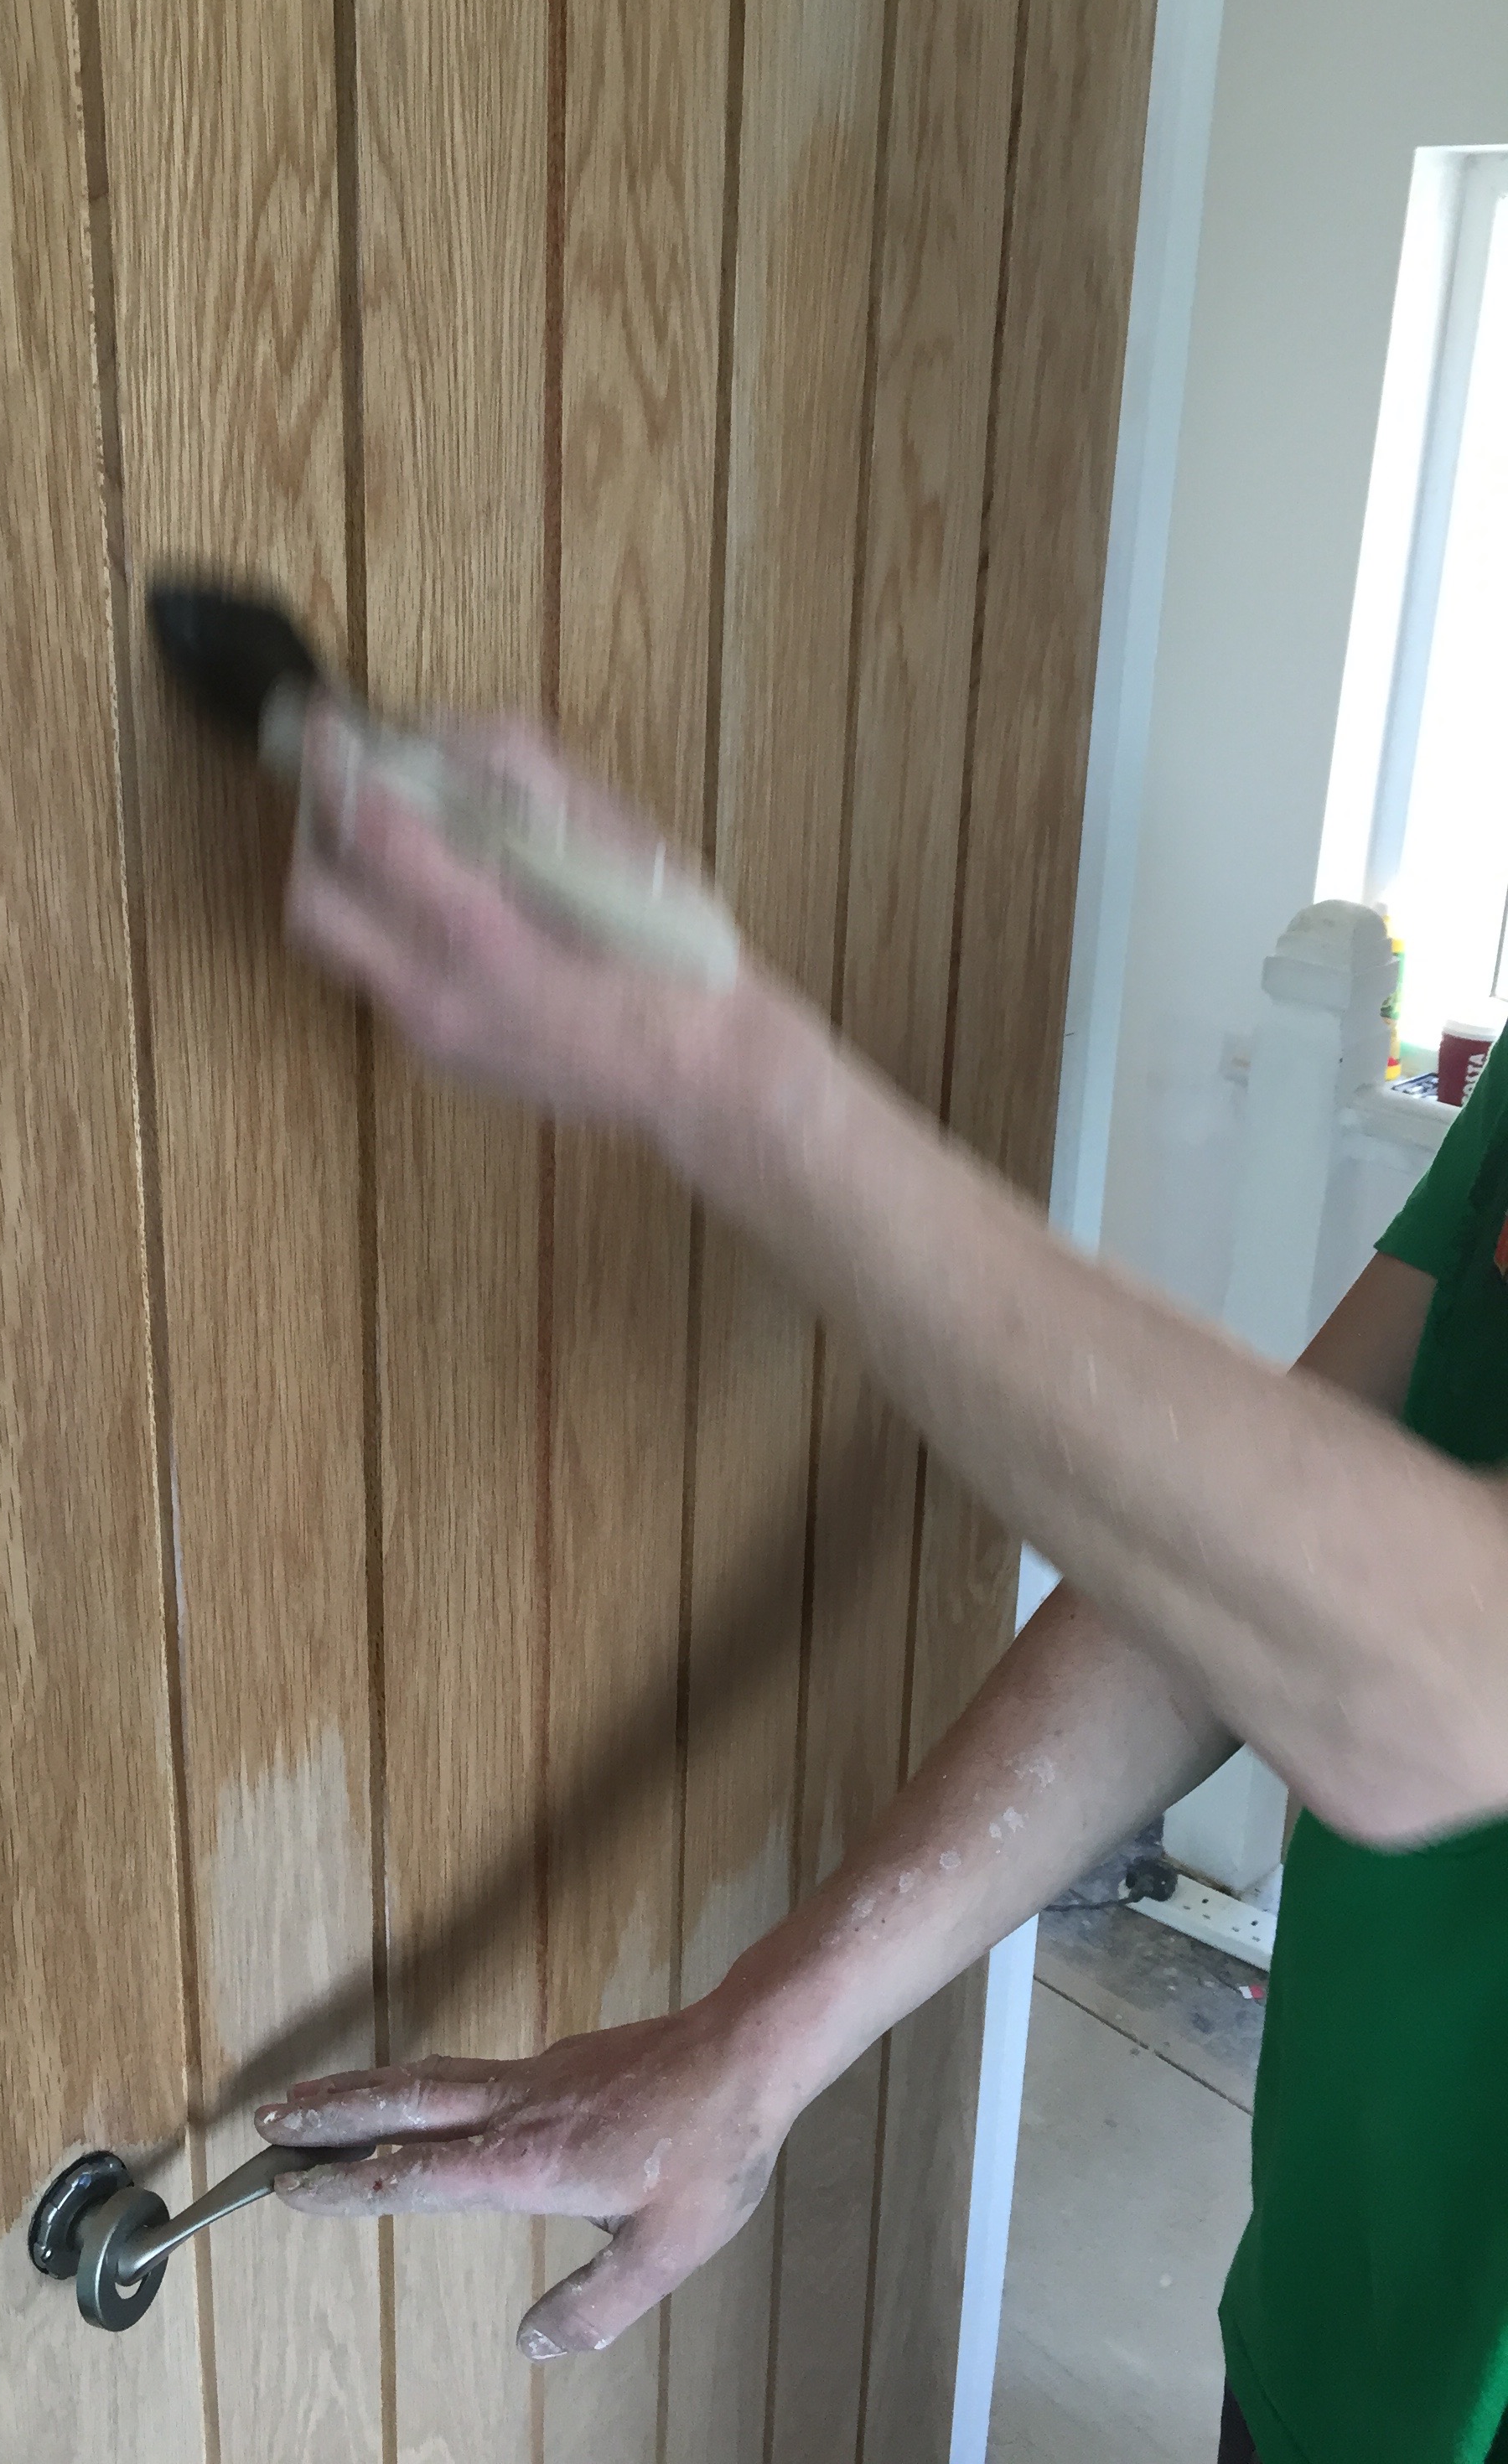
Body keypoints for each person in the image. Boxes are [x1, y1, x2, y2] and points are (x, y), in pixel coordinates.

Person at [250, 706, 1508, 2464]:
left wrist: (726, 1074)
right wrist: (749, 2053)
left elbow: (1440, 1690)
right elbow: (1214, 1609)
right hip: (1351, 2308)